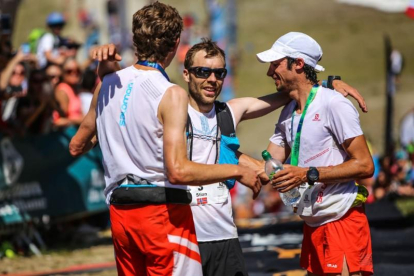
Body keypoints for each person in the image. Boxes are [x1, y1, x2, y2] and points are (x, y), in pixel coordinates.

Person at [73, 37, 367, 275]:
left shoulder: (230, 112)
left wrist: (327, 84)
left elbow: (290, 95)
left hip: (224, 235)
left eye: (219, 73)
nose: (212, 79)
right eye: (203, 72)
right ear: (186, 74)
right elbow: (96, 136)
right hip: (182, 230)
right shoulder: (166, 106)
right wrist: (106, 76)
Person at [70, 2, 261, 275]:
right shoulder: (171, 93)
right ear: (176, 44)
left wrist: (104, 81)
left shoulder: (107, 84)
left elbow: (77, 145)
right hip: (161, 213)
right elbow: (178, 170)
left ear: (135, 41)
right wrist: (237, 170)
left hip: (121, 214)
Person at [257, 32, 374, 275]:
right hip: (312, 223)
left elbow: (365, 165)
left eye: (275, 64)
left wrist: (308, 174)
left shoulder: (334, 103)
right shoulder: (288, 110)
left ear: (298, 64)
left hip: (342, 220)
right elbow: (267, 165)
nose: (270, 72)